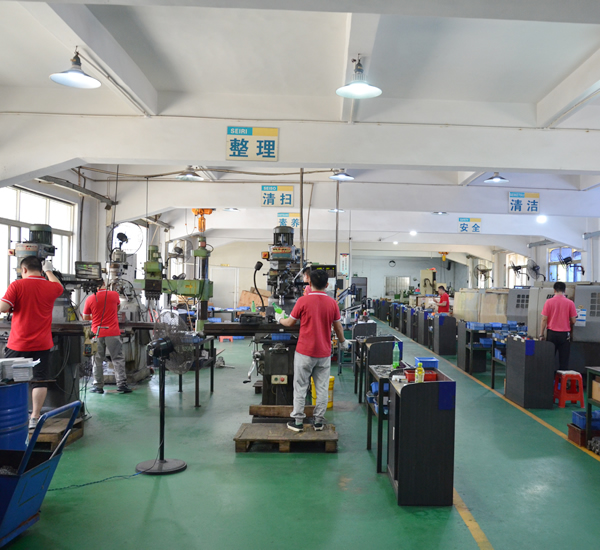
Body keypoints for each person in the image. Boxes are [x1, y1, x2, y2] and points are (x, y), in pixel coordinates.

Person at [278, 270, 349, 432]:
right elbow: (338, 327)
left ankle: (298, 422)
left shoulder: (303, 301)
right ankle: (318, 422)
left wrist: (279, 318)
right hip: (323, 353)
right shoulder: (332, 303)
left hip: (304, 352)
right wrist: (343, 342)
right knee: (322, 388)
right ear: (327, 284)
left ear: (309, 283)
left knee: (300, 387)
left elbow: (289, 323)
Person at [0, 256, 63, 429]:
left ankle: (10, 415)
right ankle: (34, 417)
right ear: (41, 270)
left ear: (24, 269)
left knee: (8, 379)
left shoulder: (17, 285)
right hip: (42, 343)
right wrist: (49, 271)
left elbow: (3, 307)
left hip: (19, 342)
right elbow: (59, 286)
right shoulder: (51, 286)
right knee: (39, 380)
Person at [82, 280, 132, 393]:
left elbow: (85, 317)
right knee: (117, 359)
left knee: (97, 360)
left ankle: (98, 386)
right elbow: (117, 307)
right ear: (104, 283)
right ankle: (122, 385)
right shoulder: (114, 295)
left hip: (96, 333)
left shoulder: (90, 298)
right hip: (113, 332)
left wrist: (96, 316)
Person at [539, 282, 577, 370]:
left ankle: (549, 377)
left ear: (554, 290)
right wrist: (566, 322)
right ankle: (562, 378)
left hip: (551, 334)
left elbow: (544, 319)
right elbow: (573, 321)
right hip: (564, 335)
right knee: (564, 361)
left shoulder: (548, 302)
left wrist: (541, 334)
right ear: (565, 290)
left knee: (549, 359)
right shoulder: (570, 303)